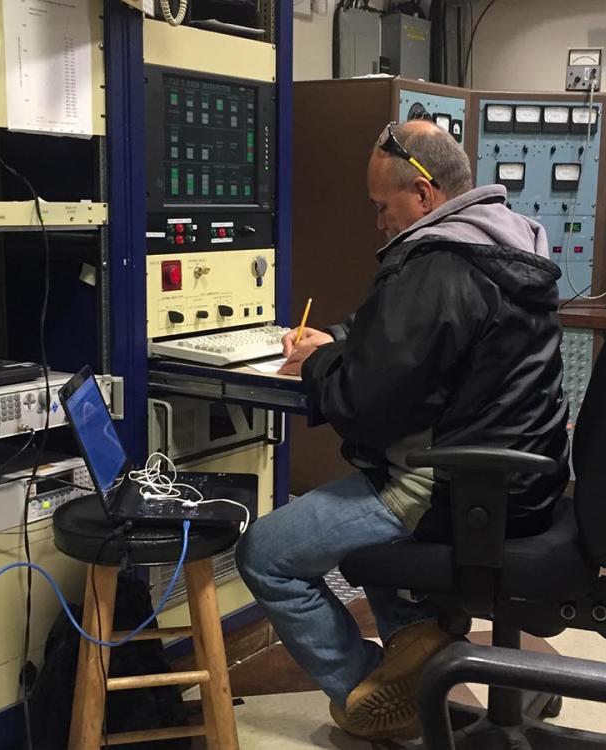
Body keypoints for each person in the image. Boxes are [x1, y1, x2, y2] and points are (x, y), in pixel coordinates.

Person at [236, 119, 570, 740]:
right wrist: (333, 340)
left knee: (265, 554)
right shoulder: (503, 242)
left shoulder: (438, 266)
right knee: (366, 510)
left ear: (421, 196)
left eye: (383, 206)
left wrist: (318, 363)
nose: (379, 222)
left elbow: (369, 406)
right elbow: (394, 341)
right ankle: (417, 647)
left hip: (448, 485)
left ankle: (371, 686)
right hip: (513, 480)